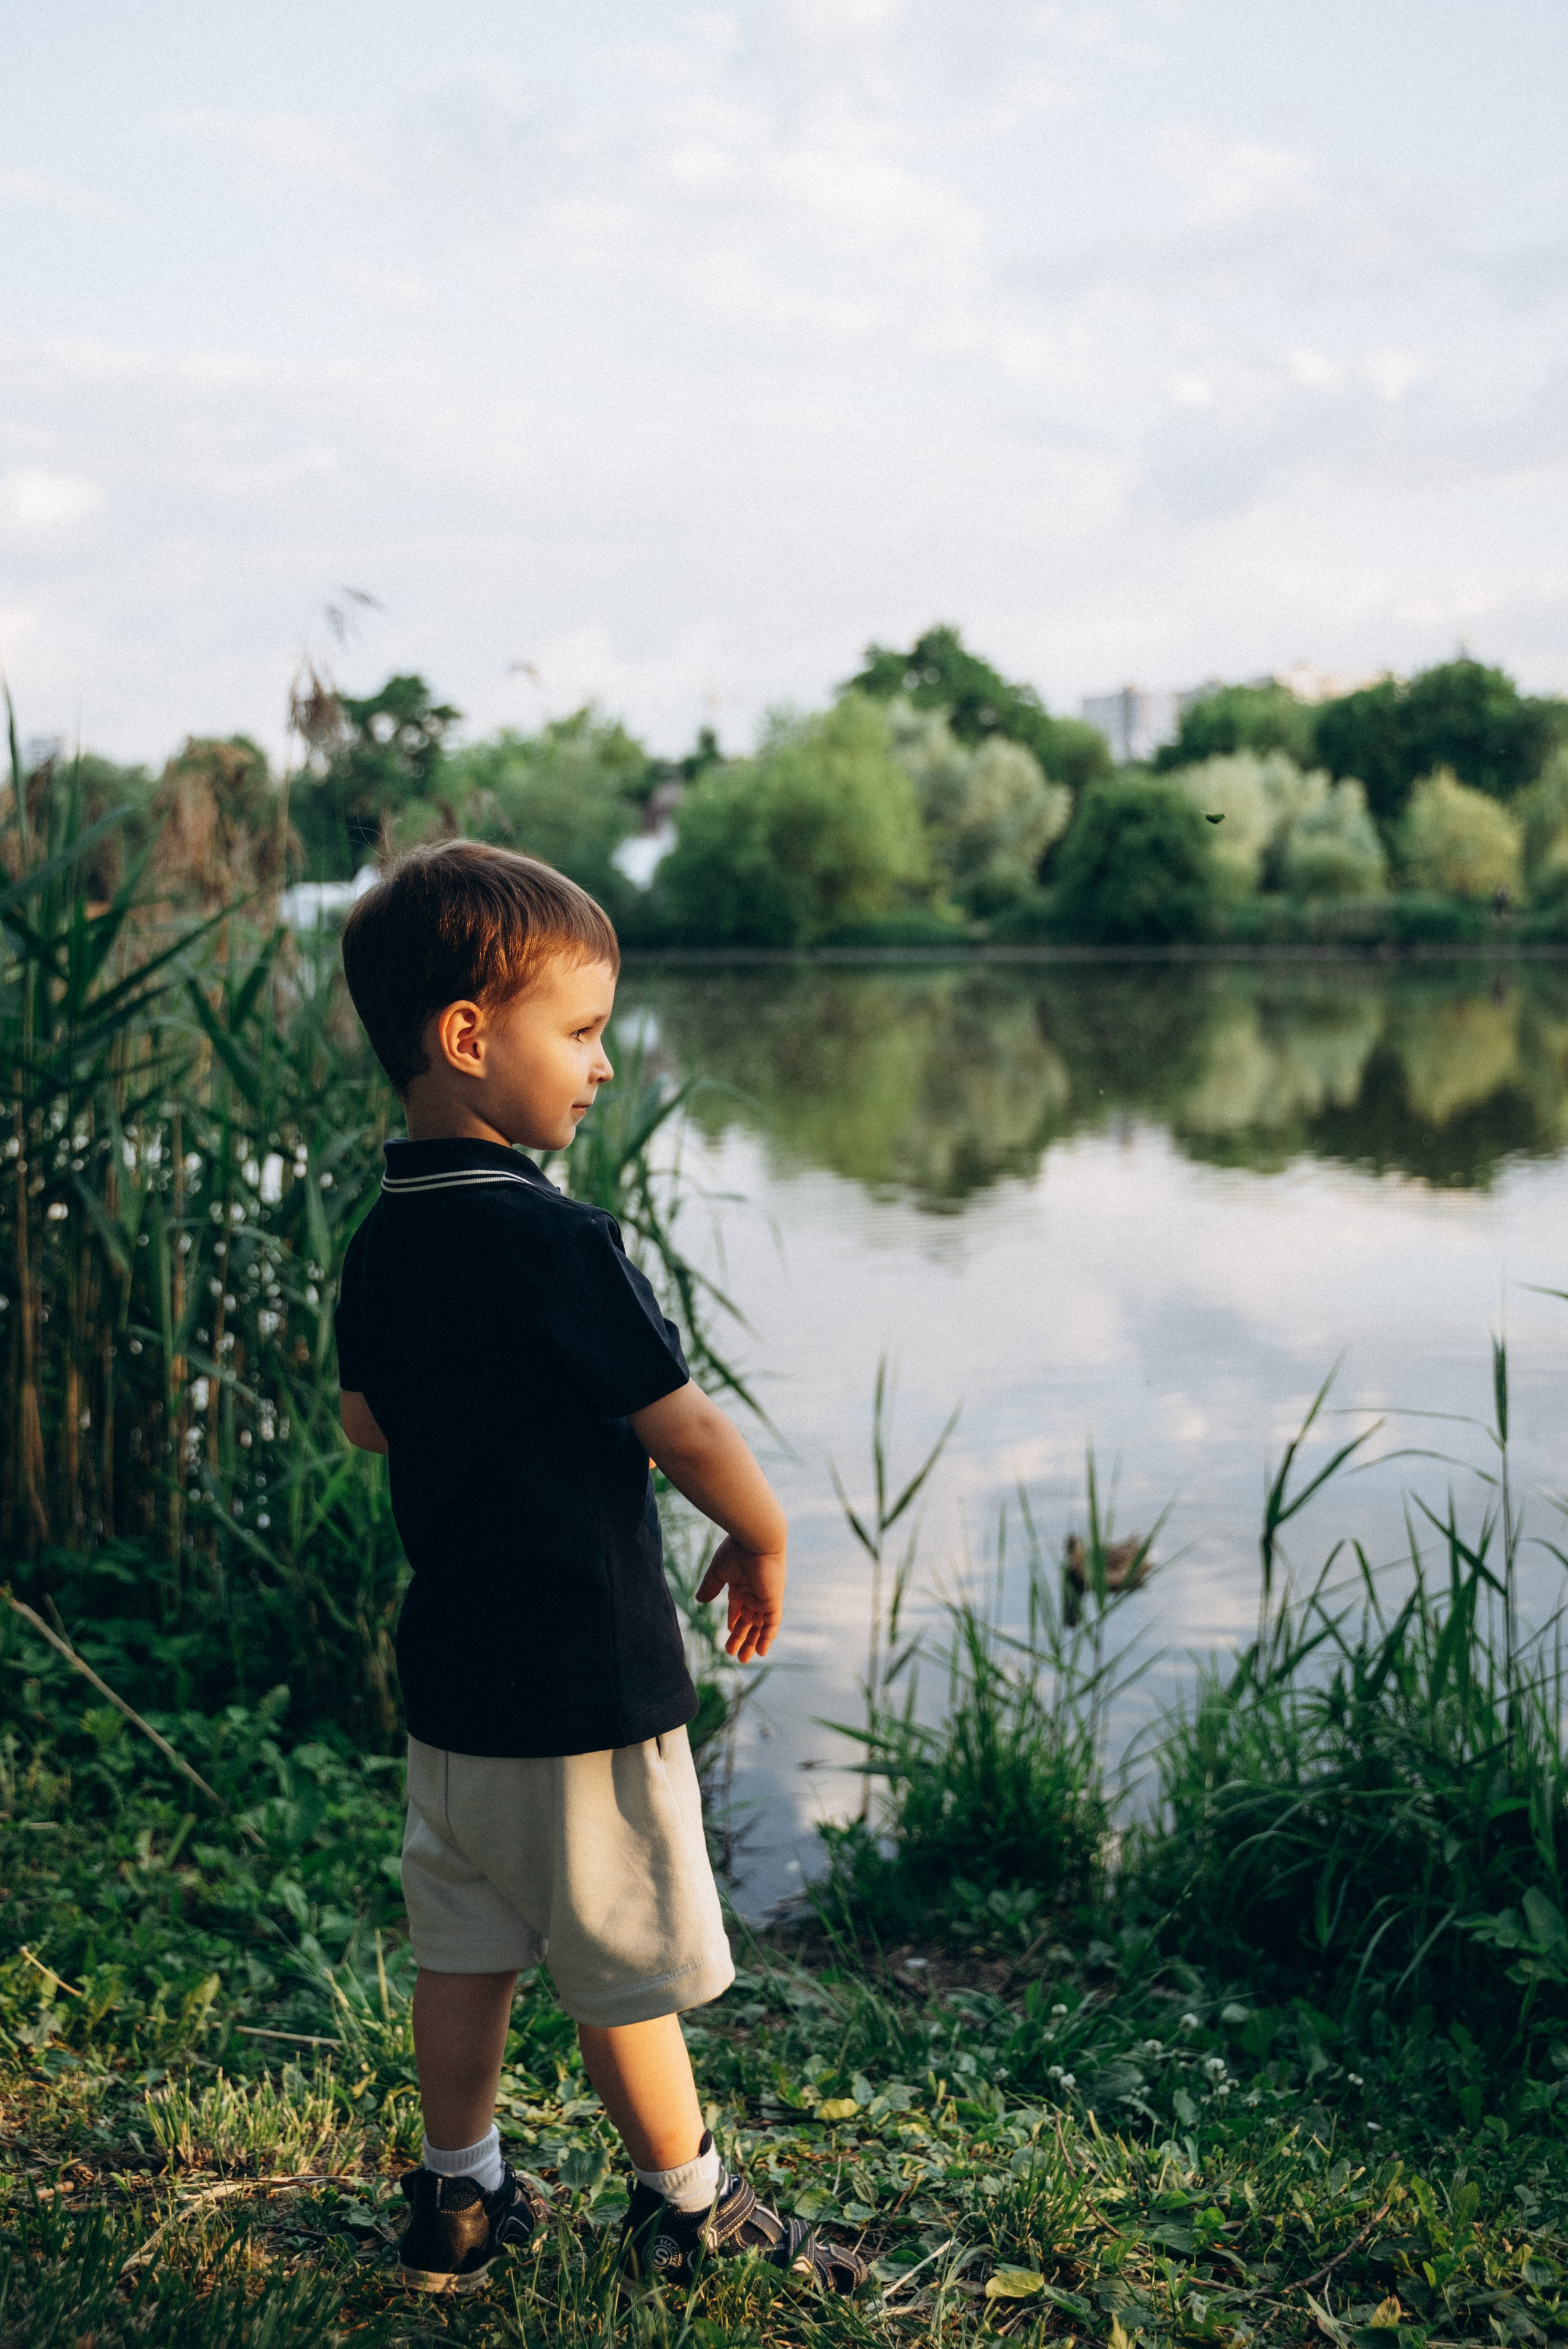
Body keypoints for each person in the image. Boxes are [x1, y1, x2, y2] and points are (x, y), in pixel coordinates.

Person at [334, 840, 867, 2299]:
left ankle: (457, 2195)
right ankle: (686, 2206)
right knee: (622, 1965)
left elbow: (366, 1419)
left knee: (467, 1948)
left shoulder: (383, 1237)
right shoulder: (558, 1239)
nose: (603, 1066)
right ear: (468, 1038)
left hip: (452, 1677)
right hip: (581, 1675)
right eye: (579, 1033)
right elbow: (681, 1425)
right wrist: (757, 1533)